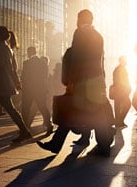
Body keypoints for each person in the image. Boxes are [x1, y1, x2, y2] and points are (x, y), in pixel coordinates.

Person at [37, 9, 114, 156]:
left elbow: (77, 59)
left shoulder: (80, 33)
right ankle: (103, 147)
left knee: (71, 112)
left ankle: (56, 144)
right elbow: (100, 61)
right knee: (95, 114)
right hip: (96, 80)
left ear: (80, 19)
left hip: (83, 81)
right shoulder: (99, 36)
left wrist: (71, 81)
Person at [20, 47, 53, 135]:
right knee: (43, 107)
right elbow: (45, 77)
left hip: (29, 90)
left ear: (28, 53)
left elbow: (24, 77)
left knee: (26, 109)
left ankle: (24, 128)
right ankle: (49, 125)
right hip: (41, 89)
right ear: (35, 52)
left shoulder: (26, 63)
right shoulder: (43, 63)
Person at [111, 55, 131, 129]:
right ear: (122, 61)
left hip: (120, 90)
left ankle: (119, 122)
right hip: (120, 90)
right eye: (125, 60)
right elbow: (120, 80)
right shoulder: (119, 68)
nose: (126, 61)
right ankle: (119, 121)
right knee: (126, 104)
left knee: (118, 106)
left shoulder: (120, 68)